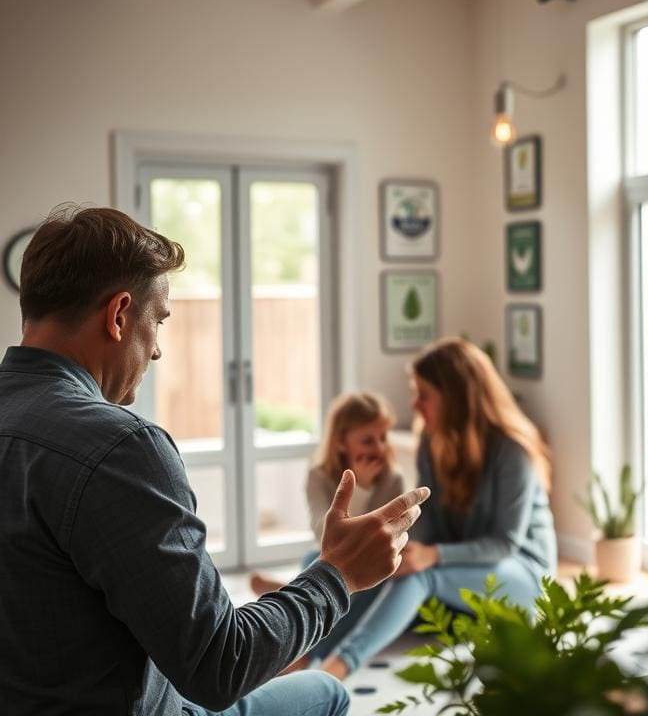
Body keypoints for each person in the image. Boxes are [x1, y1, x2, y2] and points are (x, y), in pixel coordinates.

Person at [0, 205, 430, 716]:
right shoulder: (120, 448)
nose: (156, 351)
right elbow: (221, 666)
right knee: (327, 692)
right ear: (118, 316)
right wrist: (338, 574)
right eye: (159, 321)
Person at [319, 337, 557, 680]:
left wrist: (431, 556)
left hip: (523, 576)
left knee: (421, 574)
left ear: (455, 398)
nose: (414, 404)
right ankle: (308, 651)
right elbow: (428, 522)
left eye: (424, 394)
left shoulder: (511, 452)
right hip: (463, 572)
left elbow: (504, 544)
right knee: (385, 567)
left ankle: (336, 669)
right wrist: (401, 552)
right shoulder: (431, 444)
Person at [249, 392, 405, 666]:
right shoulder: (319, 476)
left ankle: (307, 647)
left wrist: (368, 487)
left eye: (383, 437)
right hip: (327, 555)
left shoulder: (393, 479)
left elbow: (387, 537)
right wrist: (359, 489)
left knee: (372, 584)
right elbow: (324, 533)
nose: (379, 447)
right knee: (314, 562)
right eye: (368, 440)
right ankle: (298, 603)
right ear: (341, 441)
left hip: (372, 568)